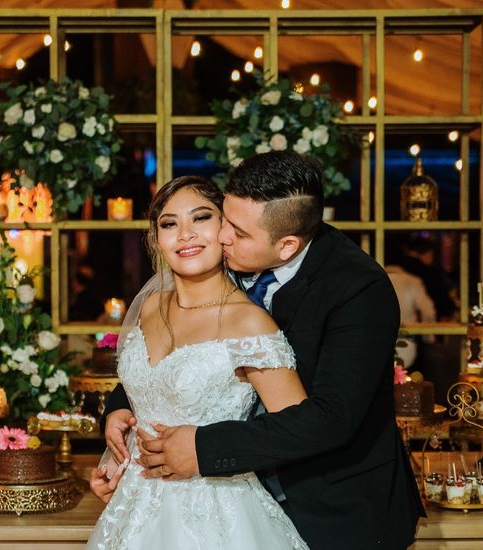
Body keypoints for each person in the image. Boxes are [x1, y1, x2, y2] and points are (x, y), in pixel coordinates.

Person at [100, 152, 424, 549]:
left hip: (333, 505)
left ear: (286, 246)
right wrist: (122, 407)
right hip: (218, 494)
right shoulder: (232, 252)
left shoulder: (358, 291)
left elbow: (331, 419)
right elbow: (177, 359)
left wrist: (203, 448)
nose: (220, 236)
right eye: (223, 219)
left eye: (234, 230)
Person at [86, 175, 310, 549]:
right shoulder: (151, 307)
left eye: (201, 218)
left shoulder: (248, 323)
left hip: (219, 515)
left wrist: (211, 452)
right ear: (156, 239)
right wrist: (117, 451)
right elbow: (147, 393)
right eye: (169, 224)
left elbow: (297, 430)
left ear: (226, 229)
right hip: (132, 508)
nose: (185, 234)